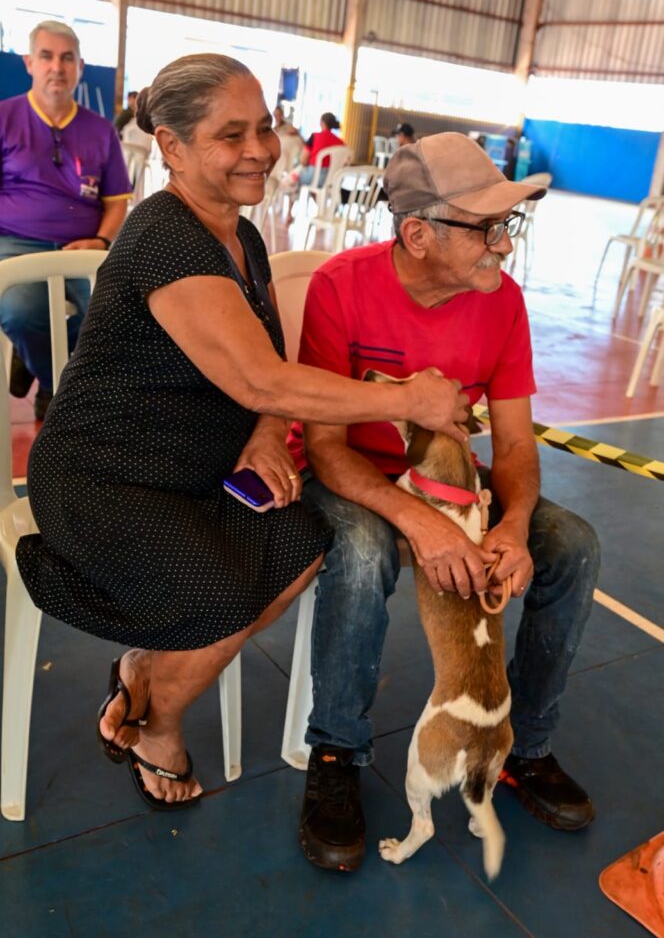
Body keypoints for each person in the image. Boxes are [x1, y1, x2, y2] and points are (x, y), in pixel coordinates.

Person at [15, 55, 470, 811]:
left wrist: (266, 429)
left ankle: (146, 677)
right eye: (232, 135)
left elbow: (266, 373)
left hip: (195, 468)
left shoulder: (243, 238)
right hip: (103, 478)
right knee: (220, 586)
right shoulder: (165, 238)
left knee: (302, 540)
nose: (260, 148)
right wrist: (409, 401)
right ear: (172, 145)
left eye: (262, 127)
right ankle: (161, 724)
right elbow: (261, 376)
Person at [291, 131, 600, 872]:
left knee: (574, 544)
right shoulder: (341, 288)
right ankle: (336, 752)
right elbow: (328, 450)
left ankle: (524, 746)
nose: (505, 247)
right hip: (357, 476)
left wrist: (516, 525)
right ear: (418, 234)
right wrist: (421, 523)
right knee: (364, 553)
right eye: (487, 229)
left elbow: (518, 448)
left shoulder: (504, 303)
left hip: (453, 480)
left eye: (507, 227)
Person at [0, 21, 131, 419]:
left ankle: (32, 358)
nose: (57, 66)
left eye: (67, 58)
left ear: (80, 66)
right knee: (22, 311)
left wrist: (103, 242)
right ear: (28, 63)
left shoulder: (101, 130)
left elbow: (116, 203)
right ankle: (57, 385)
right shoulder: (5, 117)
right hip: (16, 241)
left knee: (118, 315)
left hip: (85, 246)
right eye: (47, 56)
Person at [285, 111, 345, 221]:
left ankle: (289, 214)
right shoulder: (341, 143)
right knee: (314, 187)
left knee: (295, 180)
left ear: (321, 123)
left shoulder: (315, 136)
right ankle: (322, 211)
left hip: (314, 176)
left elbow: (303, 161)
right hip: (332, 180)